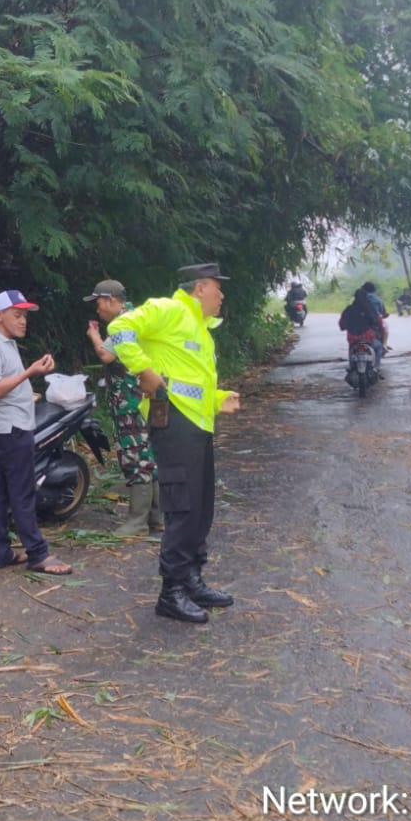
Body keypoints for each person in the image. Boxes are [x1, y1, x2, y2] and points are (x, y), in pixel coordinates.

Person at [104, 262, 241, 624]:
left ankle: (192, 579)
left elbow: (189, 383)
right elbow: (119, 328)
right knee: (181, 507)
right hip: (174, 423)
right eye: (217, 287)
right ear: (200, 288)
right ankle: (172, 592)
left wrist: (217, 399)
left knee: (200, 505)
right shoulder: (168, 309)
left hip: (197, 423)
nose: (221, 295)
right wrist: (144, 370)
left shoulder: (200, 328)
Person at [0, 290, 72, 575]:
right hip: (9, 430)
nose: (23, 321)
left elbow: (4, 384)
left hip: (8, 427)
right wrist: (28, 374)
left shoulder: (5, 342)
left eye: (25, 316)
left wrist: (27, 388)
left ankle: (0, 552)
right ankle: (38, 554)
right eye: (17, 315)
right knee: (22, 491)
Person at [84, 279, 162, 538]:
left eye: (98, 303)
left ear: (111, 300)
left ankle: (137, 522)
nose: (97, 309)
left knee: (135, 453)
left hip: (132, 399)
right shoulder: (138, 316)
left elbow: (107, 355)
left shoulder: (123, 323)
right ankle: (158, 517)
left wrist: (95, 336)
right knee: (151, 452)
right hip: (150, 397)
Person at [338, 284, 384, 373]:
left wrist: (347, 327)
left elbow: (341, 325)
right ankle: (377, 367)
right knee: (379, 347)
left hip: (353, 340)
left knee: (351, 350)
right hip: (368, 339)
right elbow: (378, 321)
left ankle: (351, 366)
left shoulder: (349, 309)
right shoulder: (369, 308)